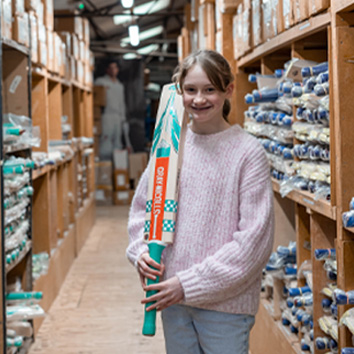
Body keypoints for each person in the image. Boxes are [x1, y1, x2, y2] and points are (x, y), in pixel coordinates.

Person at [126, 49, 274, 354]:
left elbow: (253, 244)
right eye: (190, 90)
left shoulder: (247, 153)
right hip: (172, 302)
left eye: (210, 90)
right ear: (179, 91)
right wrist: (140, 251)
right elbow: (144, 210)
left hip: (225, 308)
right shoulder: (169, 147)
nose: (199, 99)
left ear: (228, 90)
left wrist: (187, 284)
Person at [95, 60, 128, 160]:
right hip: (106, 115)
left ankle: (117, 168)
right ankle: (105, 165)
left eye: (115, 68)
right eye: (111, 68)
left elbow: (122, 103)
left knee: (117, 142)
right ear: (107, 70)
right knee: (106, 140)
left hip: (117, 117)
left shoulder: (119, 85)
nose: (113, 70)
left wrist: (123, 119)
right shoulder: (101, 82)